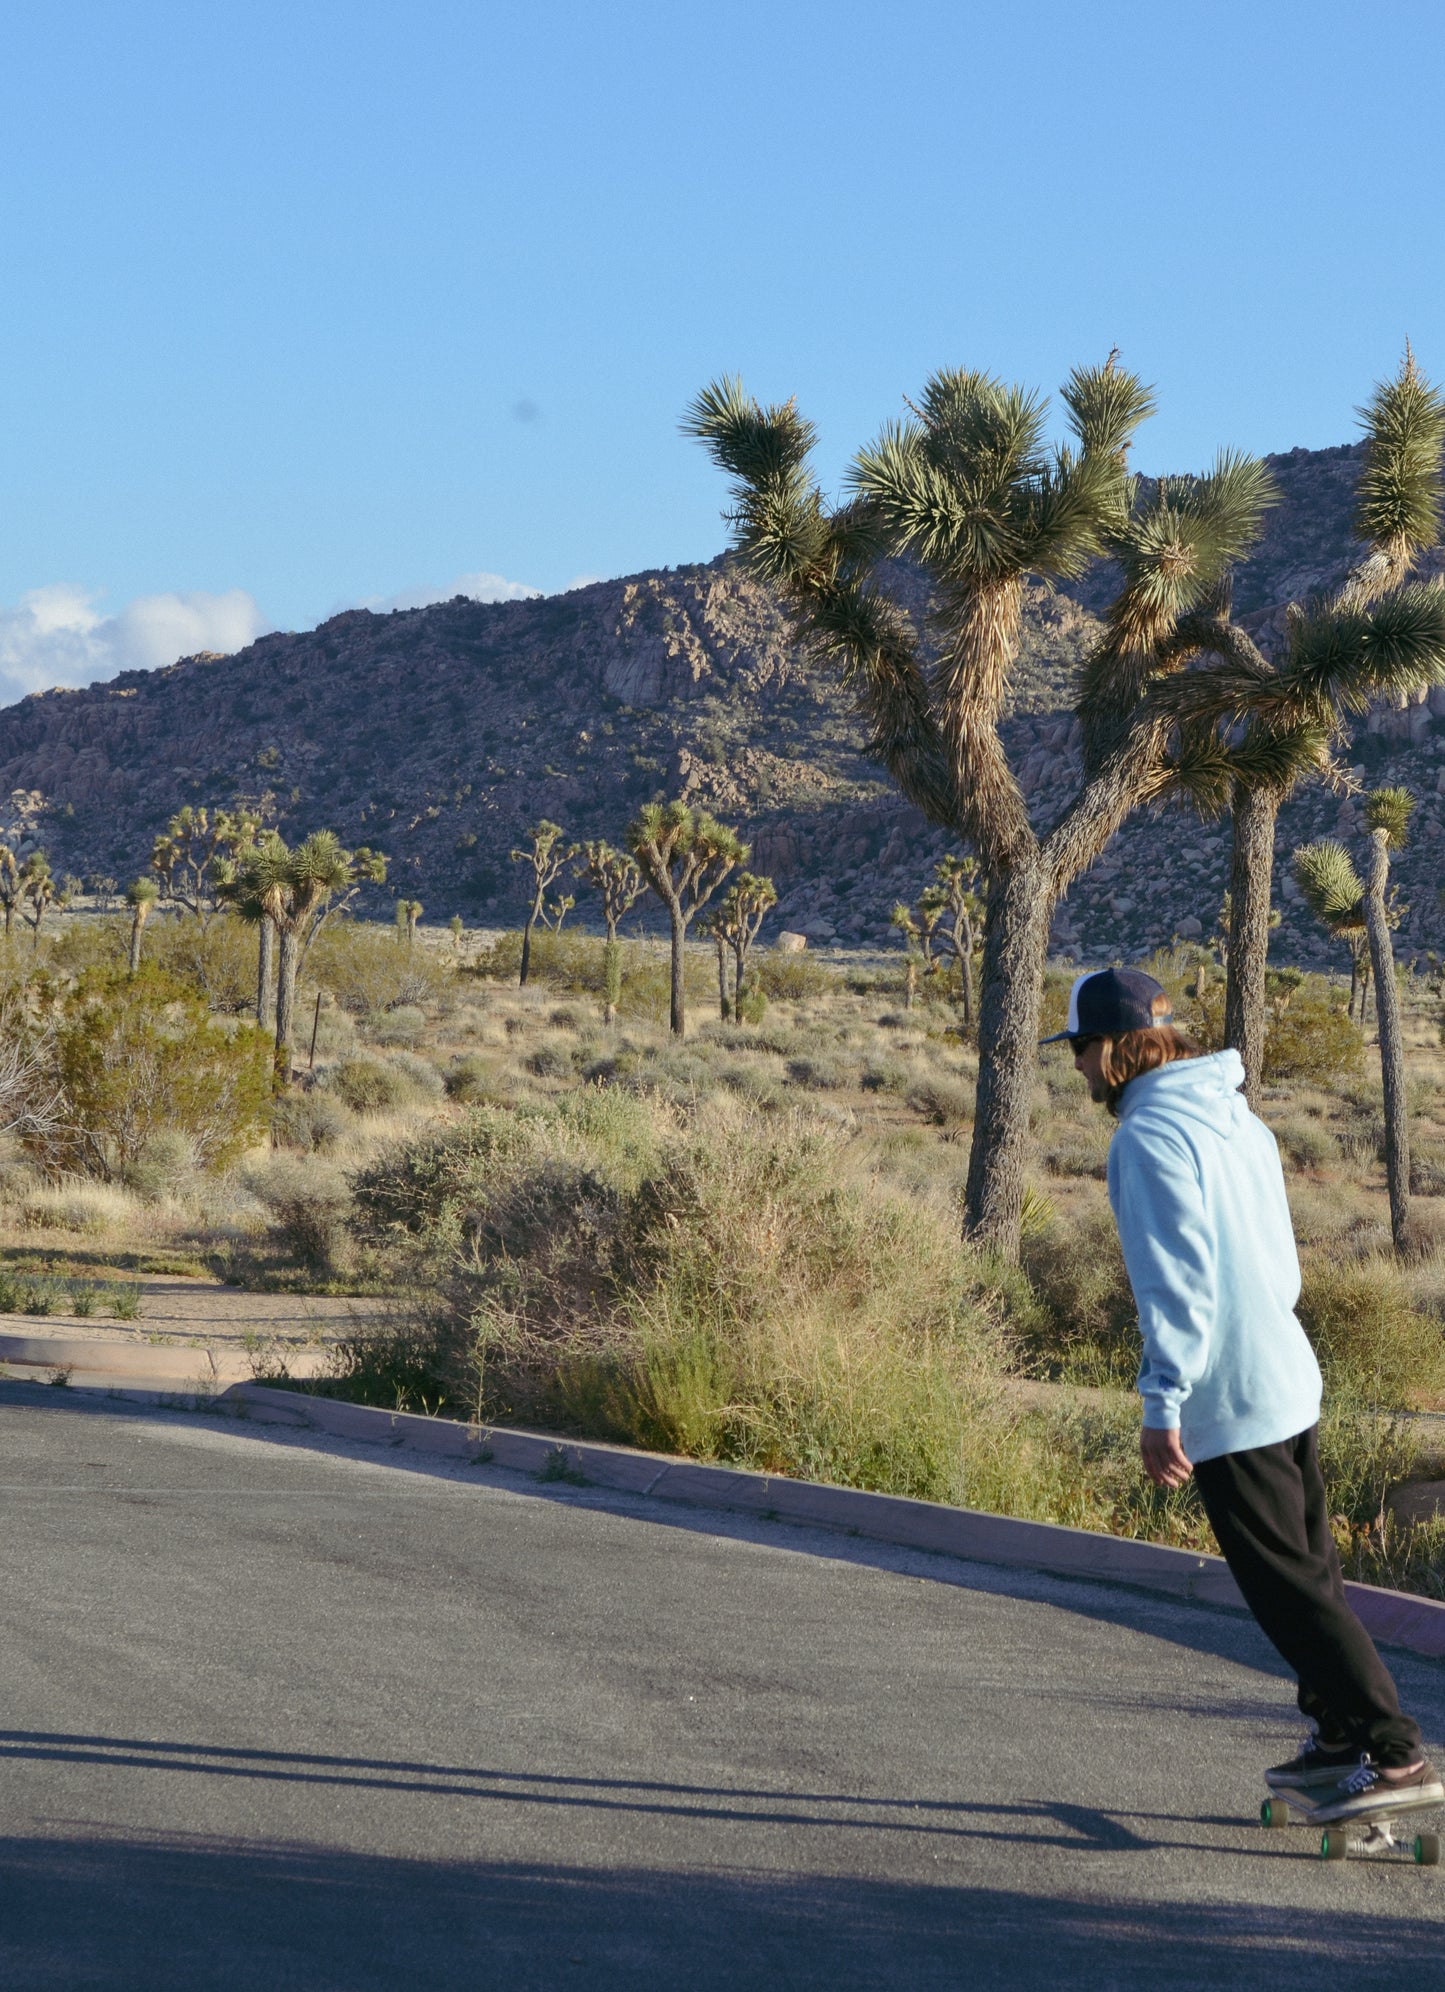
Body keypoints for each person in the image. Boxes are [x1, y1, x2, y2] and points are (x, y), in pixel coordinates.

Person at [1042, 966, 1439, 1824]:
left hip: (1230, 1393)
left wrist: (1162, 1401)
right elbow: (1276, 1259)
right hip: (1285, 1372)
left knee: (1286, 1592)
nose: (1074, 1069)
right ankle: (1336, 1735)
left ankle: (1396, 1751)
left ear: (1113, 1049)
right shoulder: (1233, 1116)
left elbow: (1174, 1285)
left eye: (1077, 1049)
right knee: (1309, 1576)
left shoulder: (1145, 1139)